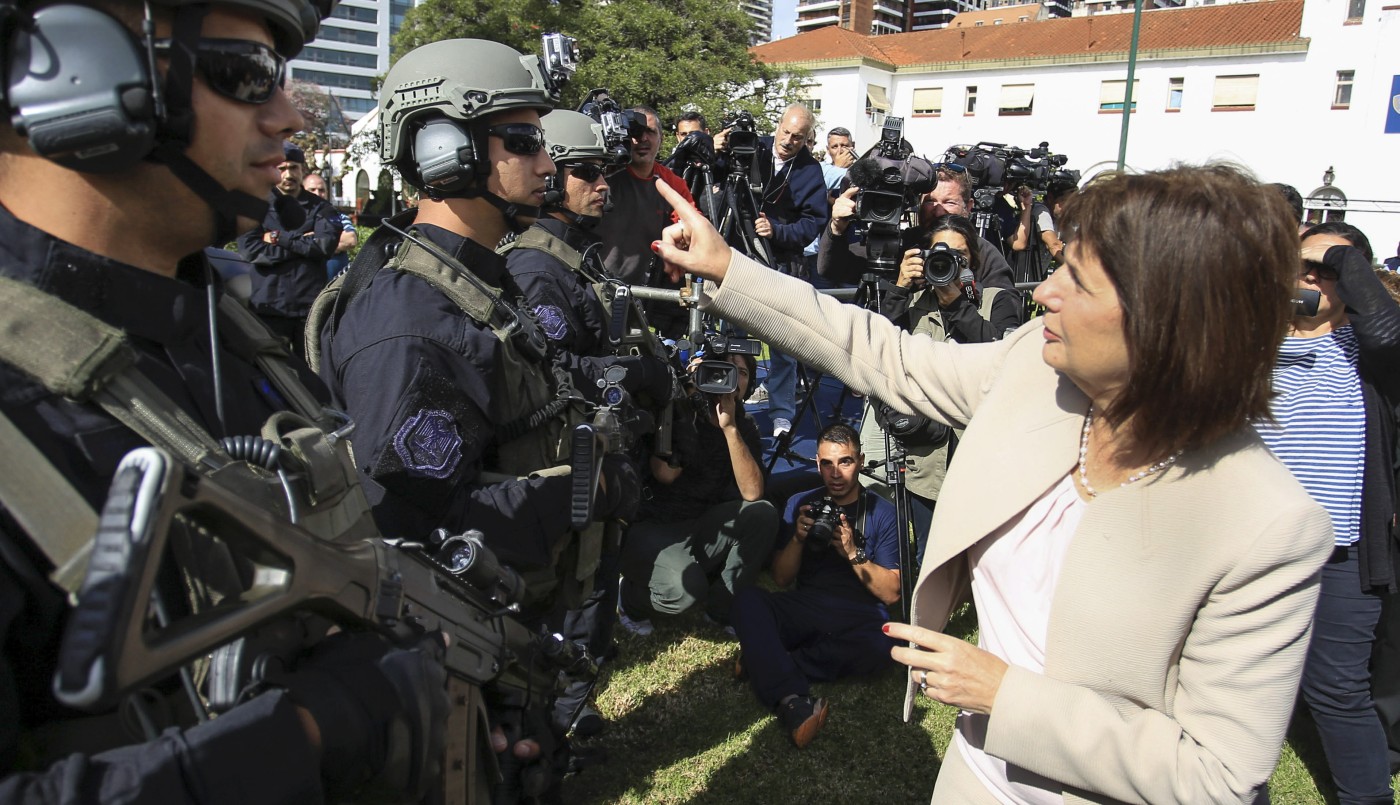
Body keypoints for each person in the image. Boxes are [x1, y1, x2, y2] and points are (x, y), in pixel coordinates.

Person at [652, 163, 1337, 802]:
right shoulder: (1033, 369)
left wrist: (1006, 696)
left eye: (1078, 280)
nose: (1044, 291)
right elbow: (882, 353)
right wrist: (729, 268)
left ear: (1166, 324)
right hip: (973, 776)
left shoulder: (1266, 525)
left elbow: (1218, 774)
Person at [0, 0, 447, 799]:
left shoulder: (221, 326)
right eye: (247, 75)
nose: (284, 116)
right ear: (77, 73)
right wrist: (311, 726)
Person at [312, 39, 638, 601]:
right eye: (523, 143)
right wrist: (587, 491)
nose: (546, 166)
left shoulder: (479, 280)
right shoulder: (410, 317)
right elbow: (404, 525)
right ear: (443, 148)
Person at [1257, 221, 1400, 804]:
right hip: (1254, 545)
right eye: (1300, 265)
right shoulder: (1251, 344)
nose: (1309, 277)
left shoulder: (1371, 352)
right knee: (1244, 680)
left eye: (1327, 269)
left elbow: (1390, 334)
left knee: (1337, 689)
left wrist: (1342, 257)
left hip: (1340, 553)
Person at [860, 213, 1020, 561]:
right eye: (940, 253)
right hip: (925, 455)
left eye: (960, 256)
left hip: (979, 449)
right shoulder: (914, 304)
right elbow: (879, 350)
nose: (949, 262)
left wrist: (957, 305)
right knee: (929, 553)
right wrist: (900, 286)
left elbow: (1001, 357)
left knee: (986, 552)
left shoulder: (997, 300)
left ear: (972, 263)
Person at [731, 422, 900, 748]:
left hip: (859, 612)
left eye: (845, 462)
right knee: (747, 600)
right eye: (826, 463)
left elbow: (892, 593)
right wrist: (797, 537)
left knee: (884, 648)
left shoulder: (882, 511)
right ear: (816, 463)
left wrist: (852, 552)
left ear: (861, 461)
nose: (835, 473)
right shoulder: (800, 502)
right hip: (808, 605)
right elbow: (781, 579)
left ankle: (764, 660)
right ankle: (792, 699)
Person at [618, 352, 777, 635]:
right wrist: (685, 401)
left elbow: (753, 492)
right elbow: (665, 473)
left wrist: (729, 430)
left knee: (762, 514)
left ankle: (721, 609)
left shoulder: (743, 425)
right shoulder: (679, 408)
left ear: (750, 385)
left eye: (741, 372)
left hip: (700, 522)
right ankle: (630, 598)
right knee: (682, 592)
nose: (731, 379)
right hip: (654, 524)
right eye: (724, 369)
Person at [714, 103, 828, 438]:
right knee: (731, 336)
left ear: (807, 139)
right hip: (739, 258)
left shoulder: (810, 171)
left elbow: (812, 225)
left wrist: (777, 230)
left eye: (798, 137)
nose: (789, 140)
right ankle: (728, 401)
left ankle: (781, 413)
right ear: (777, 126)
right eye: (786, 132)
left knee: (784, 344)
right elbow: (717, 182)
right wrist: (718, 149)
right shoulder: (751, 147)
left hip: (782, 262)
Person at [594, 105, 695, 337]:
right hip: (593, 282)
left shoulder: (672, 183)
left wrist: (680, 234)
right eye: (635, 132)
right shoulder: (602, 174)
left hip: (639, 293)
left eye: (650, 132)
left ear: (661, 138)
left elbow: (692, 225)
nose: (642, 139)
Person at [236, 141, 339, 355]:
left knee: (313, 376)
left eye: (293, 167)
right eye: (282, 168)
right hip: (269, 307)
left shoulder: (322, 208)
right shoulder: (255, 205)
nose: (288, 174)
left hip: (309, 310)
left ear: (302, 170)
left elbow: (323, 247)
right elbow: (251, 251)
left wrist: (277, 237)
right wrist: (302, 243)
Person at [302, 172, 357, 279]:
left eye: (321, 190)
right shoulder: (294, 219)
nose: (317, 194)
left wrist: (309, 242)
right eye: (312, 190)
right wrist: (330, 241)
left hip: (335, 286)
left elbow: (350, 240)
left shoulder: (338, 216)